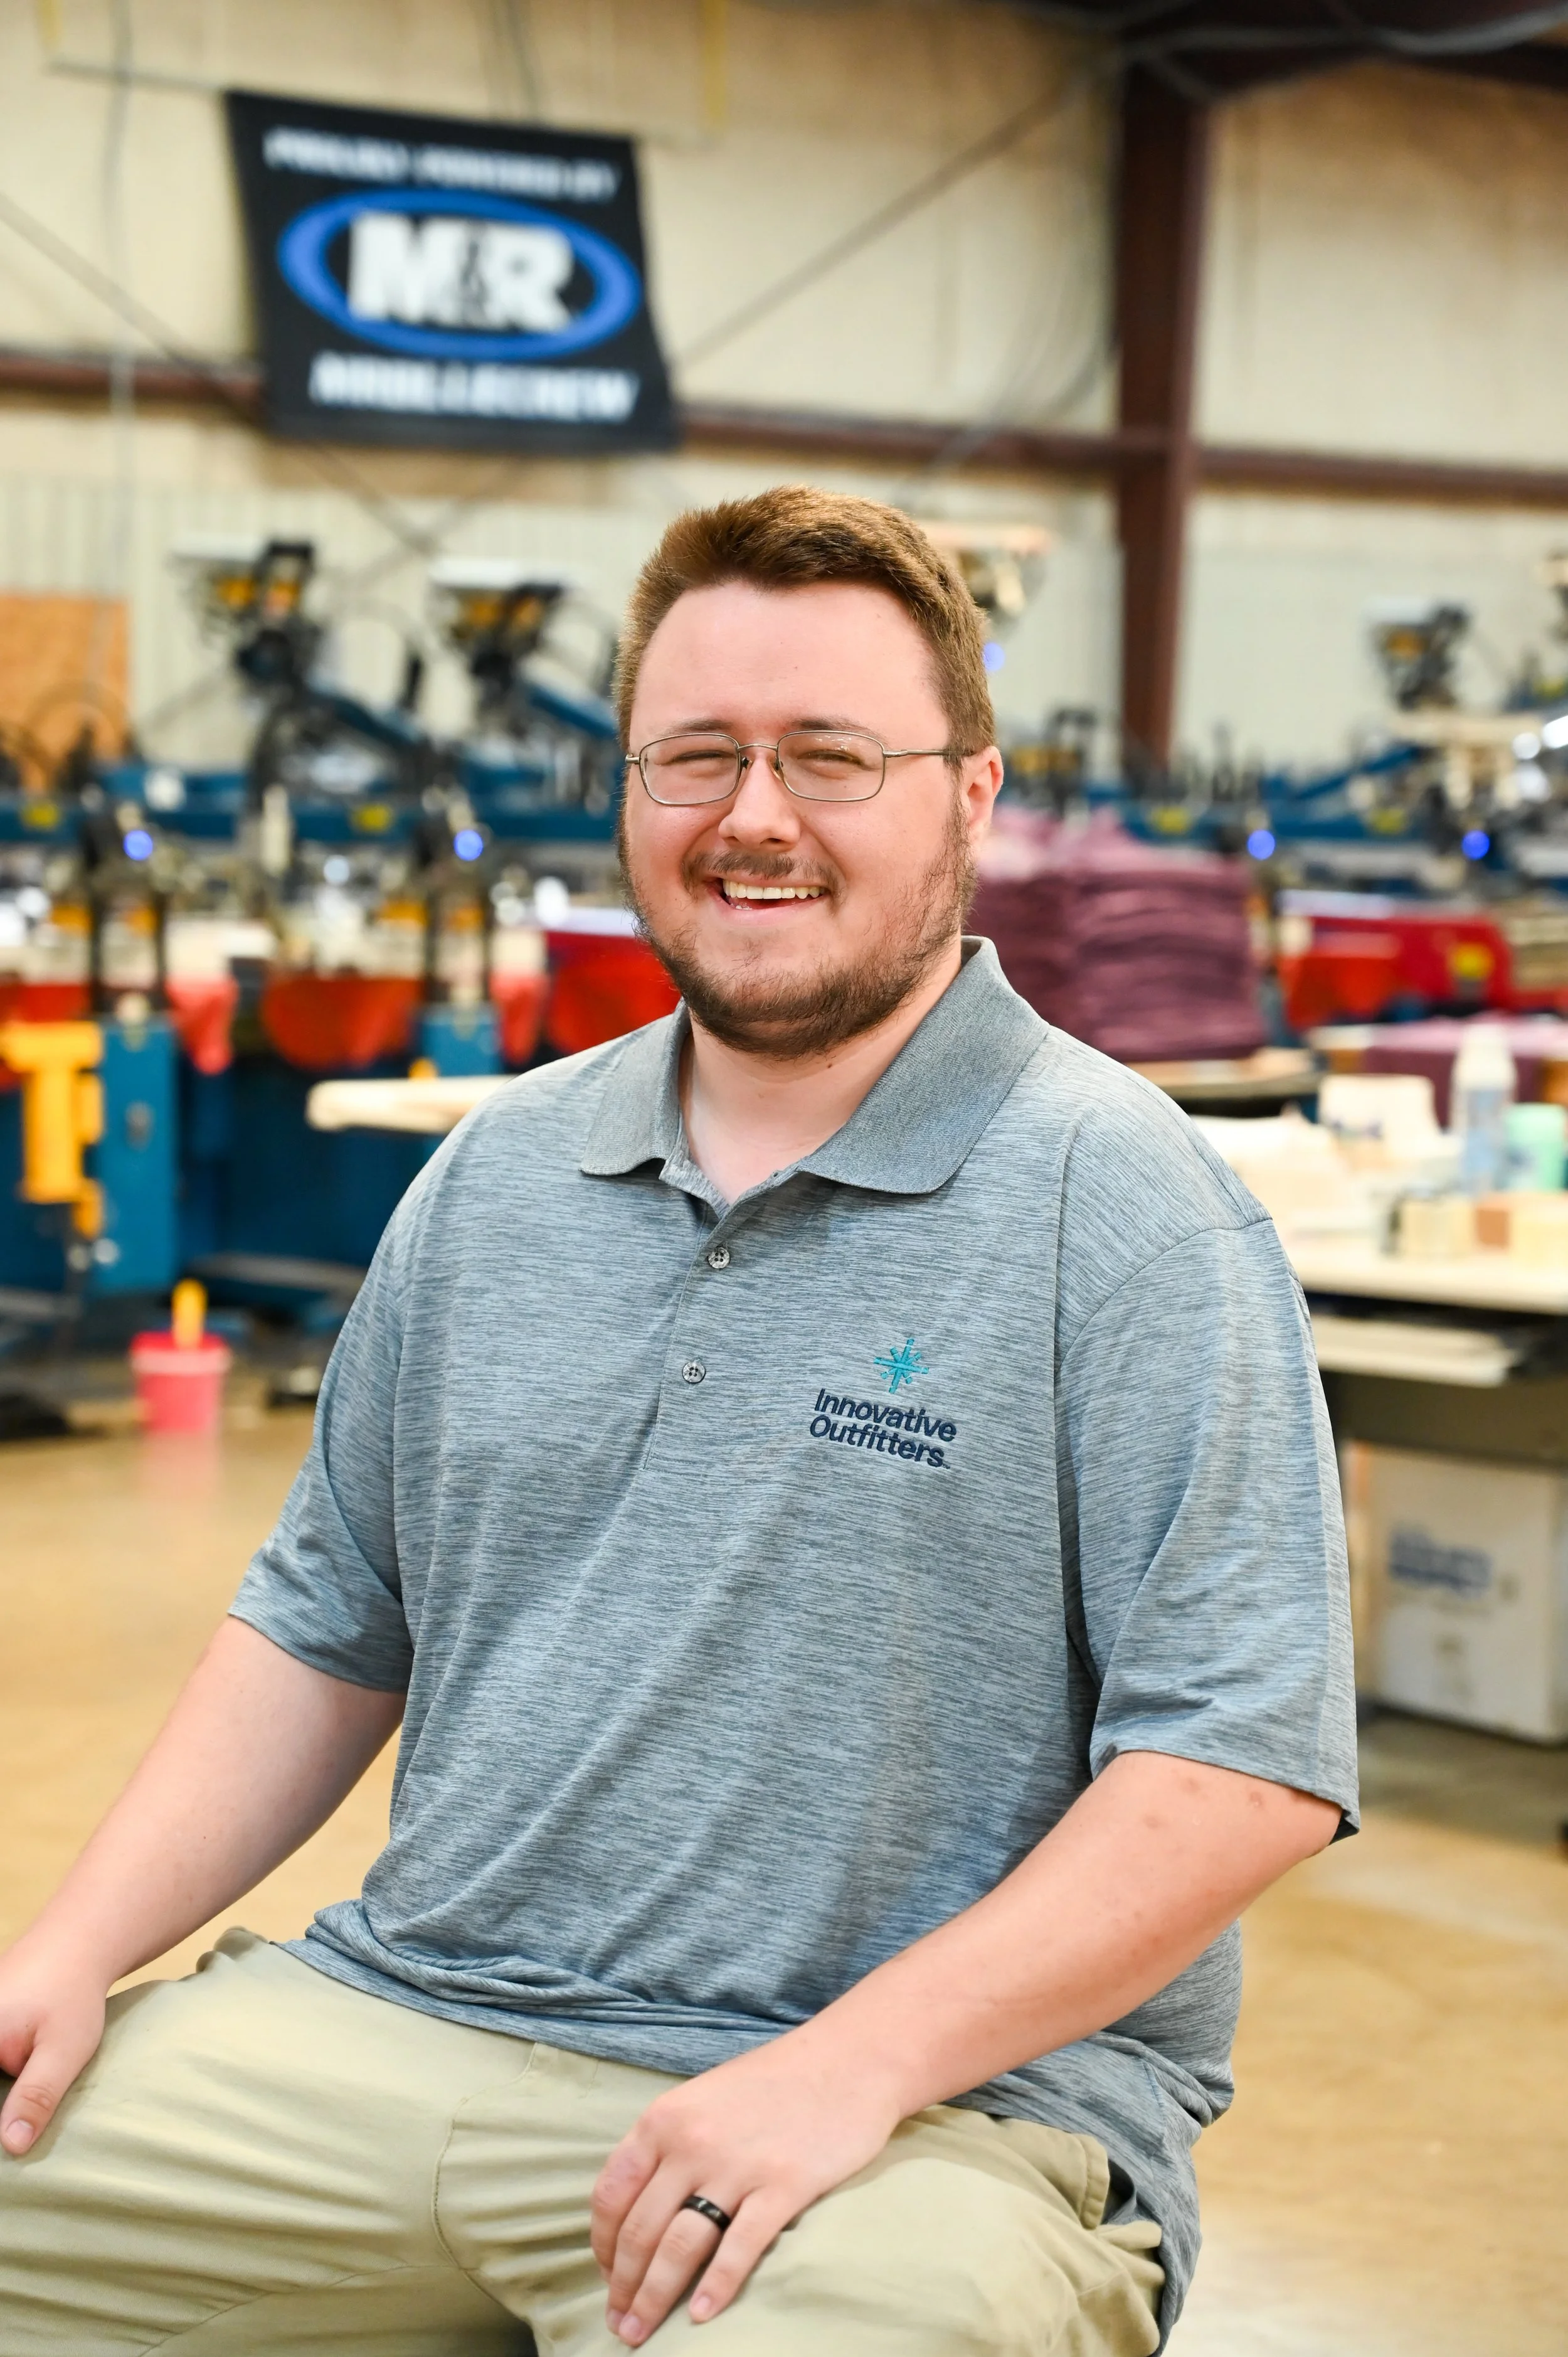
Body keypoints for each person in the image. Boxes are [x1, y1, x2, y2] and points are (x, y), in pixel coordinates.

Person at [0, 486, 1356, 2356]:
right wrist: (66, 1950)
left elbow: (1238, 1761)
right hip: (397, 2023)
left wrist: (847, 2067)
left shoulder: (1119, 1208)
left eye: (829, 755)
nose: (754, 817)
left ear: (968, 797)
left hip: (916, 2125)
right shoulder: (498, 1178)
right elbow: (325, 1621)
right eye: (697, 754)